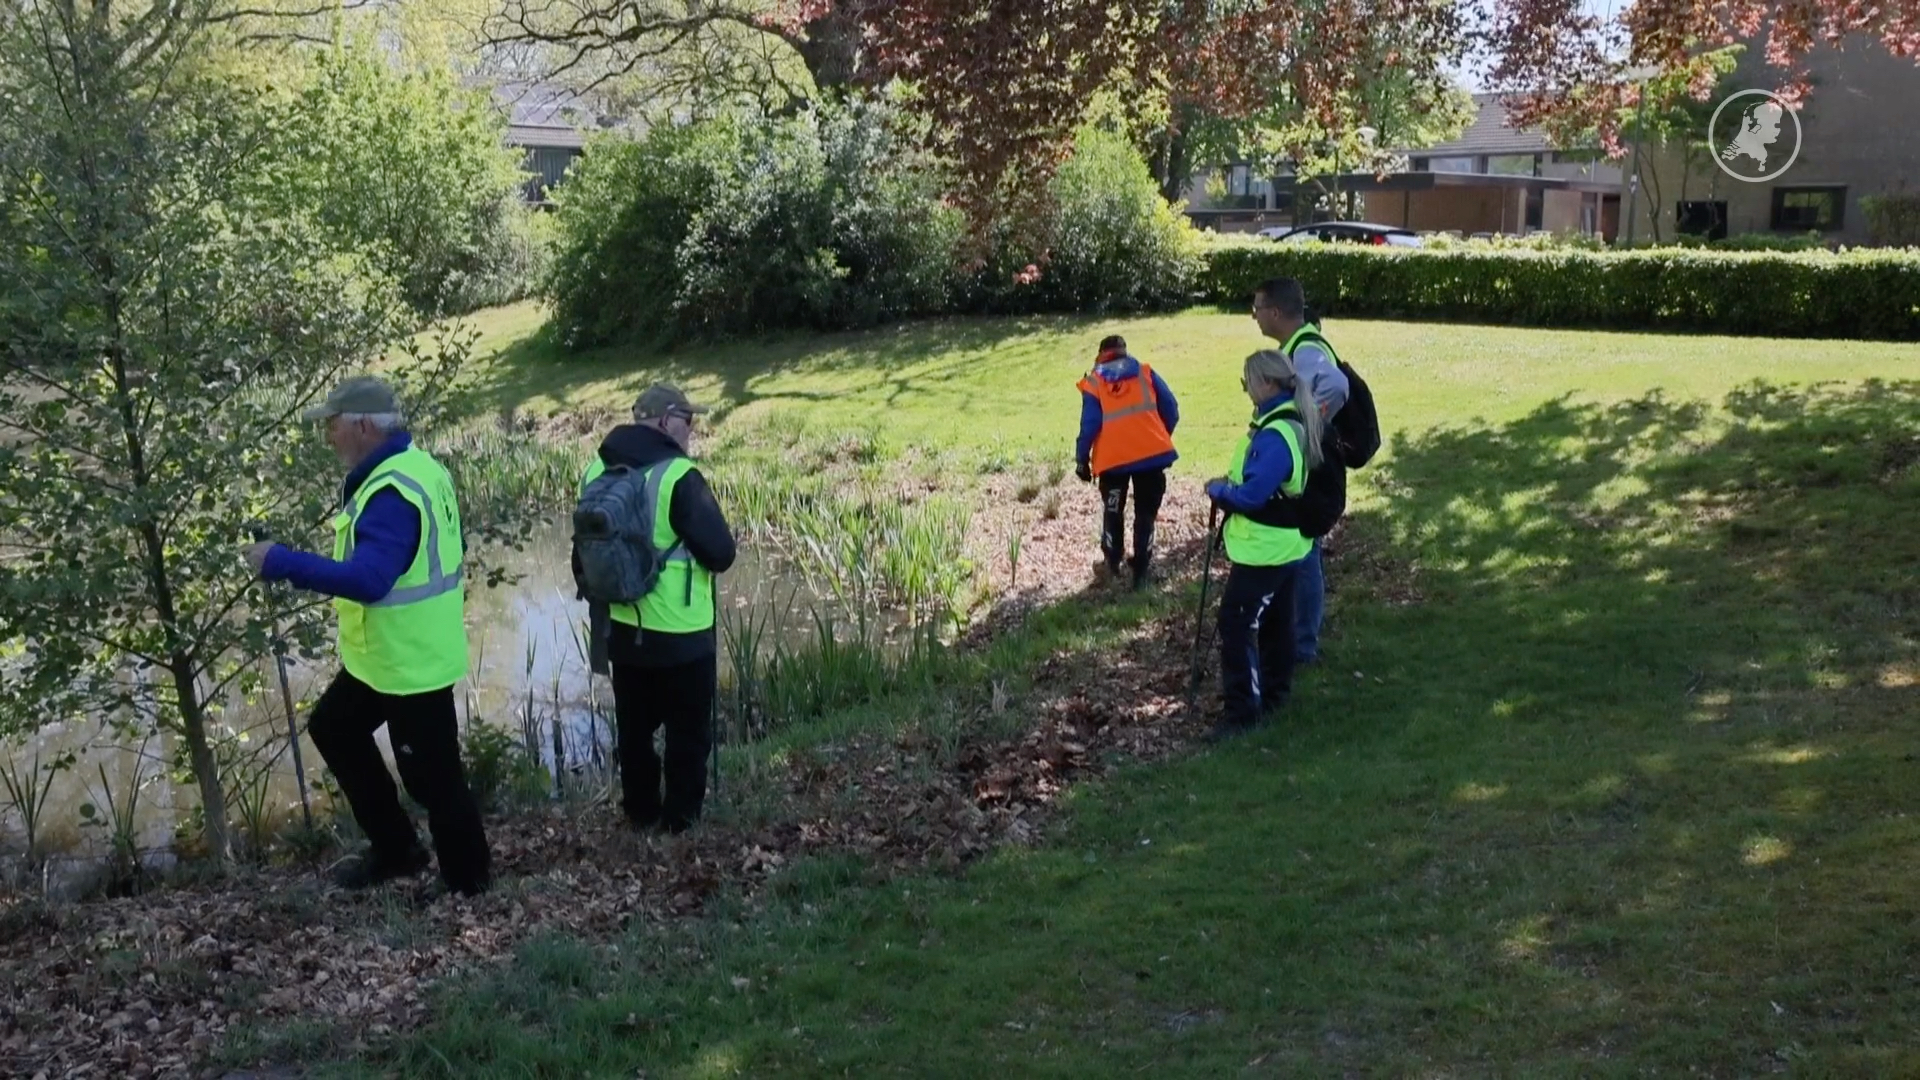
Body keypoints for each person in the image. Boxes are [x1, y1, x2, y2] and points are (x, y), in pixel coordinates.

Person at [243, 376, 492, 896]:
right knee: (334, 728)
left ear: (361, 425)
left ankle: (470, 886)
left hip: (411, 665)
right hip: (384, 658)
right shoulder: (415, 469)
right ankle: (397, 849)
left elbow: (370, 581)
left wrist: (282, 561)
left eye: (332, 426)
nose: (328, 436)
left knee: (434, 779)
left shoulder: (393, 491)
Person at [574, 384, 736, 834]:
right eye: (689, 419)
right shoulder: (679, 477)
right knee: (688, 735)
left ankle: (641, 812)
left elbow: (581, 553)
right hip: (682, 634)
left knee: (634, 732)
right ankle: (680, 823)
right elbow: (721, 554)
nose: (692, 430)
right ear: (666, 421)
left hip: (621, 629)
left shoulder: (595, 470)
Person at [1202, 349, 1325, 742]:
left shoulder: (1275, 434)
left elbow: (1253, 496)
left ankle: (1243, 714)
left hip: (1265, 550)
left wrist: (1219, 490)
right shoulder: (1287, 421)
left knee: (1236, 625)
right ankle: (1274, 696)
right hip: (1286, 546)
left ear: (1267, 383)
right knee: (1276, 624)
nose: (1246, 389)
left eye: (1247, 382)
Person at [1252, 278, 1348, 666]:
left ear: (1275, 312)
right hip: (1307, 462)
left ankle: (1303, 646)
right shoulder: (1295, 347)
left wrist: (1304, 426)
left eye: (1257, 308)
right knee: (1303, 549)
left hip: (1311, 466)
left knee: (1306, 550)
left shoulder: (1306, 349)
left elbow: (1337, 387)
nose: (1254, 316)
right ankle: (1295, 639)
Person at [1074, 334, 1180, 590]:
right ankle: (1141, 570)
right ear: (1124, 352)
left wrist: (1082, 460)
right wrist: (1156, 438)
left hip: (1113, 462)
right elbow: (1172, 409)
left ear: (1100, 355)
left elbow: (1089, 425)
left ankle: (1112, 563)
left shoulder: (1095, 382)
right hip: (1151, 458)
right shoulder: (1145, 373)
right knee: (1146, 514)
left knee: (1113, 511)